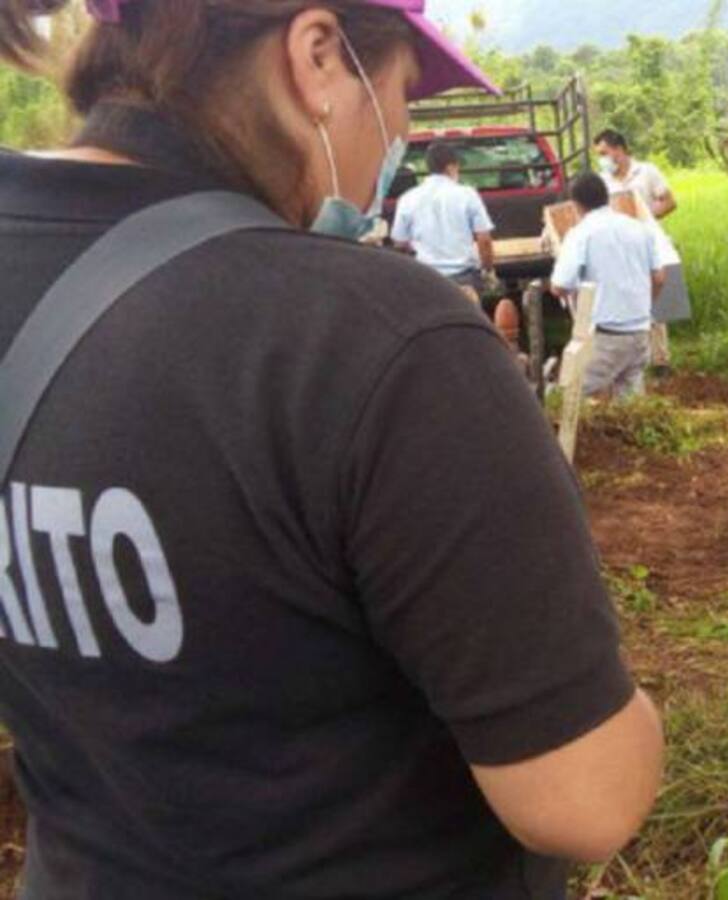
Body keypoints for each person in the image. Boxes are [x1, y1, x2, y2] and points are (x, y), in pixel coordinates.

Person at [0, 2, 664, 898]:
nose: (394, 141)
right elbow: (584, 801)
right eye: (400, 97)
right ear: (318, 56)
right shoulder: (379, 341)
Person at [551, 173, 665, 400]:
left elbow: (560, 285)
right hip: (640, 331)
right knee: (630, 403)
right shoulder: (639, 228)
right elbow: (659, 278)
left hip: (606, 334)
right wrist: (643, 306)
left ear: (574, 205)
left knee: (565, 397)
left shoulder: (580, 234)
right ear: (606, 197)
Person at [593, 128, 690, 377]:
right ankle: (634, 360)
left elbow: (669, 201)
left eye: (604, 153)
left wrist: (646, 217)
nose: (602, 159)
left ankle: (660, 360)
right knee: (628, 299)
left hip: (647, 244)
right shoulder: (603, 180)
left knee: (655, 294)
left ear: (619, 150)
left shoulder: (646, 172)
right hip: (618, 249)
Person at [392, 140, 497, 303]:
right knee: (467, 325)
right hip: (465, 279)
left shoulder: (407, 199)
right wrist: (488, 270)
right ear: (451, 167)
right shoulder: (467, 195)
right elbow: (484, 240)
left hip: (427, 278)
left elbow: (399, 244)